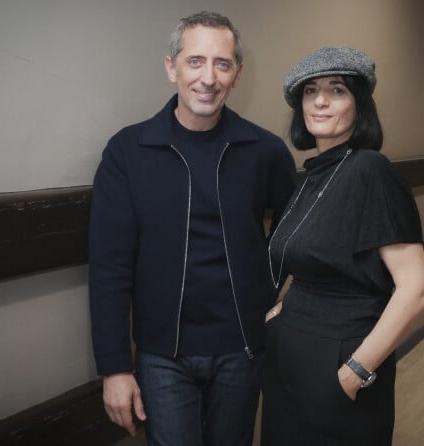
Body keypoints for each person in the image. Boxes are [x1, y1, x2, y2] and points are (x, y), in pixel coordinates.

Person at [88, 11, 296, 446]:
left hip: (241, 350)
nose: (208, 77)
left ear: (237, 74)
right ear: (172, 68)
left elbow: (296, 233)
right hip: (163, 357)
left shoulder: (265, 152)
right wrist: (114, 367)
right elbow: (109, 266)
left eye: (222, 64)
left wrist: (277, 297)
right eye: (195, 61)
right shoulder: (128, 152)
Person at [261, 47, 424, 445]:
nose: (319, 100)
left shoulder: (371, 172)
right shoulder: (311, 176)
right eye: (310, 91)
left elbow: (417, 288)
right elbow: (314, 259)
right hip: (290, 358)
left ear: (360, 105)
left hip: (341, 360)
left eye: (336, 90)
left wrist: (355, 371)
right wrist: (285, 310)